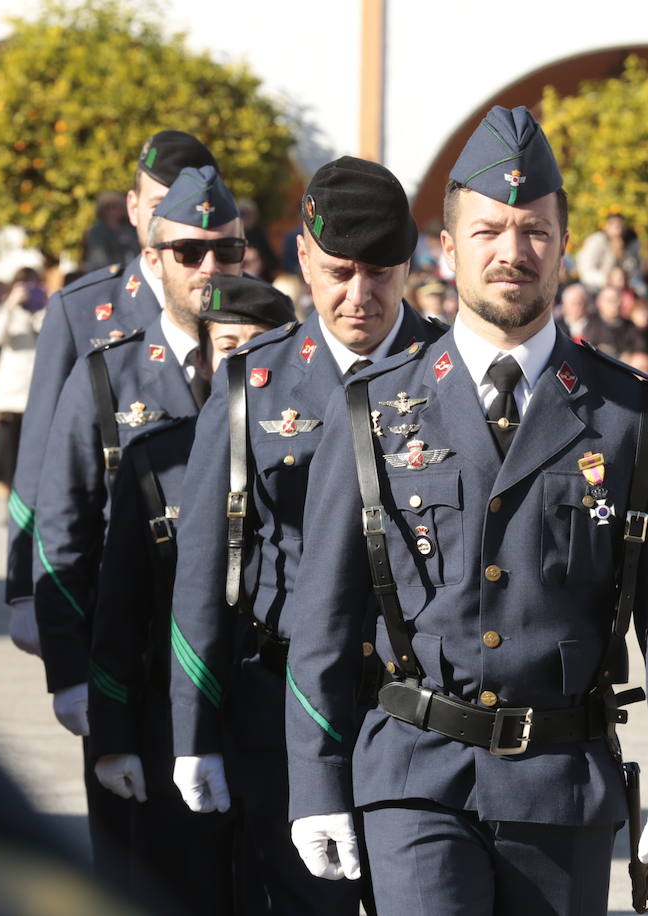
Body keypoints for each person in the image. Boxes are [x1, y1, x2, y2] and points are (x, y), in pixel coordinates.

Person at [279, 105, 648, 916]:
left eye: (534, 232)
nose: (512, 253)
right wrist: (315, 781)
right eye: (488, 231)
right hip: (413, 774)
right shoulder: (373, 408)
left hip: (562, 782)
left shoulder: (632, 415)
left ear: (563, 247)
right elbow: (325, 615)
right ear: (448, 249)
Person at [169, 157, 445, 914]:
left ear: (411, 262)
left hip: (421, 713)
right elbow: (202, 568)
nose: (360, 295)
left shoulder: (454, 375)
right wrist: (194, 729)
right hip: (285, 707)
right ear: (303, 260)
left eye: (382, 271)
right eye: (340, 271)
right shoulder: (253, 384)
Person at [32, 165, 243, 875]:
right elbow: (64, 532)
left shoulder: (278, 371)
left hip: (248, 693)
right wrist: (71, 677)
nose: (210, 267)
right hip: (139, 688)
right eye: (189, 252)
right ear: (152, 259)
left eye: (228, 251)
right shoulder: (107, 376)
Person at [88, 275, 293, 914]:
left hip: (283, 730)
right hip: (172, 723)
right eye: (227, 345)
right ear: (204, 358)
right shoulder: (158, 459)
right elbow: (121, 610)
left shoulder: (323, 455)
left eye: (260, 346)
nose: (242, 363)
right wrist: (113, 734)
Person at [5, 130, 218, 656]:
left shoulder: (236, 307)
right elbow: (41, 458)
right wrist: (24, 590)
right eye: (157, 203)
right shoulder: (81, 309)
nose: (170, 216)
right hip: (111, 571)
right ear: (131, 208)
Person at [0, 269, 45, 495]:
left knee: (29, 440)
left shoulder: (43, 309)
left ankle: (24, 485)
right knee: (7, 436)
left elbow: (47, 332)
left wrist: (39, 308)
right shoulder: (7, 310)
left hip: (34, 381)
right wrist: (10, 306)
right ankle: (2, 481)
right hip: (11, 384)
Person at [576, 212, 640, 291]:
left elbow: (635, 271)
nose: (619, 230)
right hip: (596, 286)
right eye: (616, 226)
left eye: (622, 226)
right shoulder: (596, 241)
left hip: (622, 285)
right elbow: (586, 271)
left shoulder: (631, 243)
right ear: (607, 226)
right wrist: (608, 280)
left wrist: (621, 255)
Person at [83, 189, 141, 271]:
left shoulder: (129, 229)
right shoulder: (97, 231)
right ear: (104, 210)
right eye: (113, 207)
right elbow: (99, 258)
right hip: (108, 274)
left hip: (129, 272)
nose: (118, 210)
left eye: (120, 206)